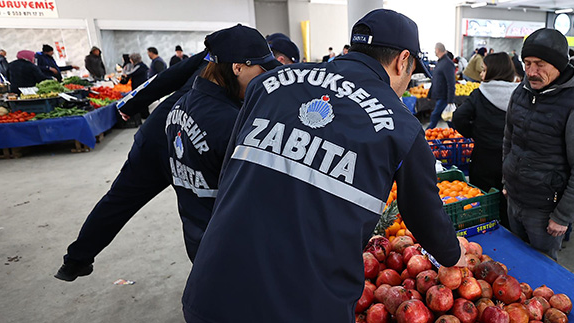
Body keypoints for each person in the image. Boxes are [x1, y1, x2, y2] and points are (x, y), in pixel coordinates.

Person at [181, 9, 466, 322]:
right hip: (300, 306)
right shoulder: (402, 127)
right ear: (402, 61)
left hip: (211, 291)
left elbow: (229, 173)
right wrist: (453, 254)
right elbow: (423, 213)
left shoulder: (268, 83)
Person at [55, 51, 209, 281]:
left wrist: (131, 104)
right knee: (202, 216)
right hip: (193, 143)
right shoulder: (252, 63)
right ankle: (211, 285)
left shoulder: (213, 52)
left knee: (119, 200)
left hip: (157, 132)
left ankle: (76, 260)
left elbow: (166, 78)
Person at [166, 24, 279, 262]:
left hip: (196, 232)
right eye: (263, 71)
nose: (266, 79)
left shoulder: (179, 106)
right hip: (230, 243)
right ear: (237, 67)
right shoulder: (231, 122)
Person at [503, 28, 574, 260]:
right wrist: (506, 179)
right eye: (527, 63)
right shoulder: (520, 93)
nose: (531, 72)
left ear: (559, 64)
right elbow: (509, 139)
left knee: (543, 273)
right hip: (514, 199)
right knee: (516, 265)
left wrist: (563, 215)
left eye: (540, 64)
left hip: (545, 210)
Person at [452, 52, 516, 228]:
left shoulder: (479, 94)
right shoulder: (520, 95)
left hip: (484, 158)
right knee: (508, 202)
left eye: (484, 70)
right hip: (511, 159)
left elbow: (458, 118)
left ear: (494, 71)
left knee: (483, 201)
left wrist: (474, 133)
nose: (481, 74)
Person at [427, 42, 456, 129]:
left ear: (438, 50)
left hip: (444, 97)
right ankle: (456, 134)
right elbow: (435, 79)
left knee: (435, 116)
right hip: (439, 96)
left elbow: (451, 83)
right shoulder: (440, 62)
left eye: (435, 50)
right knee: (448, 118)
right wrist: (430, 94)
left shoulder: (448, 63)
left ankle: (426, 134)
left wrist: (450, 100)